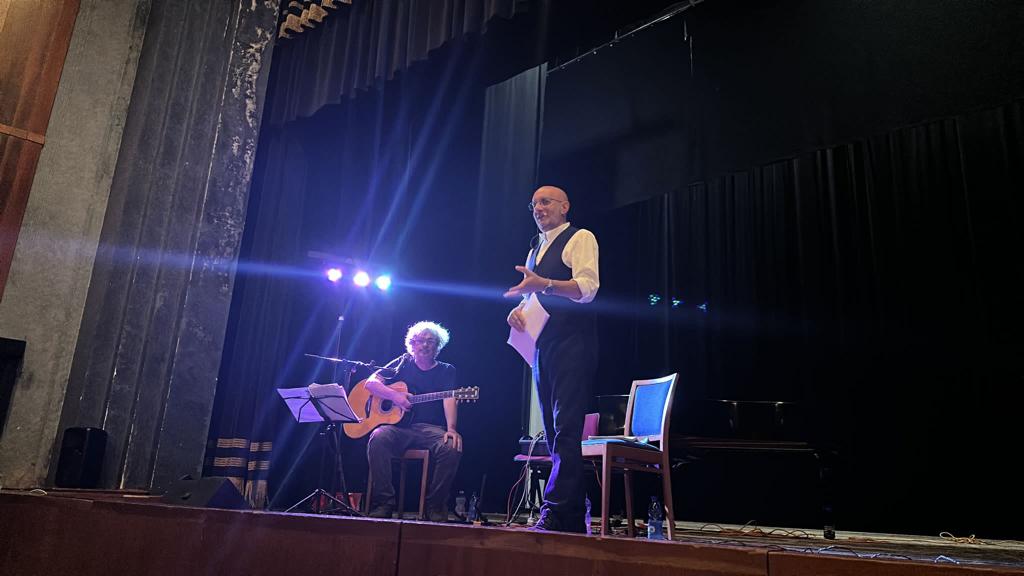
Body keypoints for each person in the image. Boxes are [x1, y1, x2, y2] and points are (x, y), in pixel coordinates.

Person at [505, 185, 599, 533]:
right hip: (543, 347)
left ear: (565, 206)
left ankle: (557, 510)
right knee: (552, 432)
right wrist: (517, 312)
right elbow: (532, 298)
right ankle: (571, 514)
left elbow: (587, 289)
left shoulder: (580, 237)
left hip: (573, 343)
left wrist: (544, 284)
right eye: (534, 204)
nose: (538, 208)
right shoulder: (534, 249)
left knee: (566, 428)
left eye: (545, 202)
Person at [365, 321, 463, 521]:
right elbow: (371, 383)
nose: (425, 345)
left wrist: (451, 429)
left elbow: (449, 398)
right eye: (420, 341)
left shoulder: (446, 370)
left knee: (452, 446)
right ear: (412, 344)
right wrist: (395, 396)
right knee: (378, 437)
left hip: (431, 429)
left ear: (438, 346)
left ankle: (435, 506)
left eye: (430, 341)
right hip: (400, 428)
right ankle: (384, 503)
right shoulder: (402, 363)